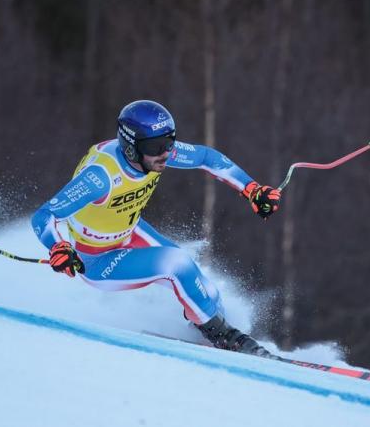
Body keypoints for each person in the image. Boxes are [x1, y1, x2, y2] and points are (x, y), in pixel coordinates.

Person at [31, 100, 281, 357]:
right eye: (156, 146)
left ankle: (212, 332)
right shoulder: (100, 178)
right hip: (96, 259)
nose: (165, 153)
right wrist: (58, 246)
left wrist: (251, 189)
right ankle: (227, 338)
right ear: (131, 147)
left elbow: (206, 157)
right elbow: (44, 215)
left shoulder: (154, 154)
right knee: (177, 263)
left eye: (170, 142)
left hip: (129, 232)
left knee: (209, 293)